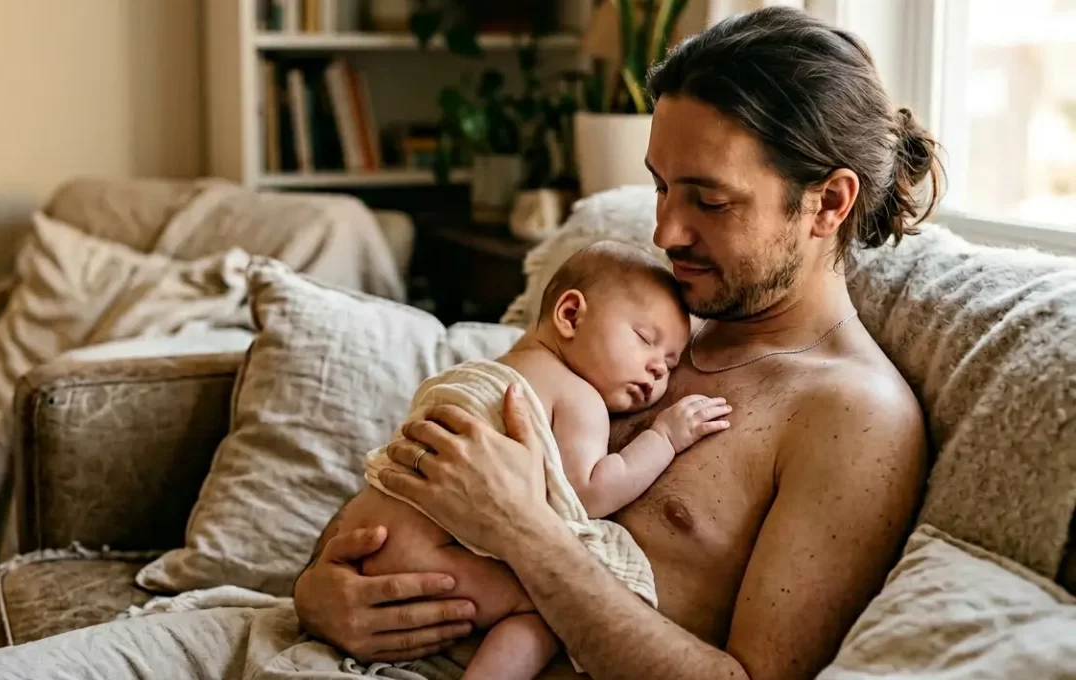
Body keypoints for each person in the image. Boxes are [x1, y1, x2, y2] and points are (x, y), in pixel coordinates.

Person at [292, 6, 938, 679]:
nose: (665, 233)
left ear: (829, 203)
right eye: (661, 187)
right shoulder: (642, 317)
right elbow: (425, 476)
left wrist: (521, 530)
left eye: (709, 201)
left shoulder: (855, 420)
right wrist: (319, 592)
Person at [346, 241, 730, 679]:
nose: (659, 369)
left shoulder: (487, 369)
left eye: (670, 361)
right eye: (645, 340)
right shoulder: (576, 395)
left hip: (369, 543)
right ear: (570, 315)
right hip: (430, 560)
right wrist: (663, 437)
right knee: (548, 610)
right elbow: (589, 492)